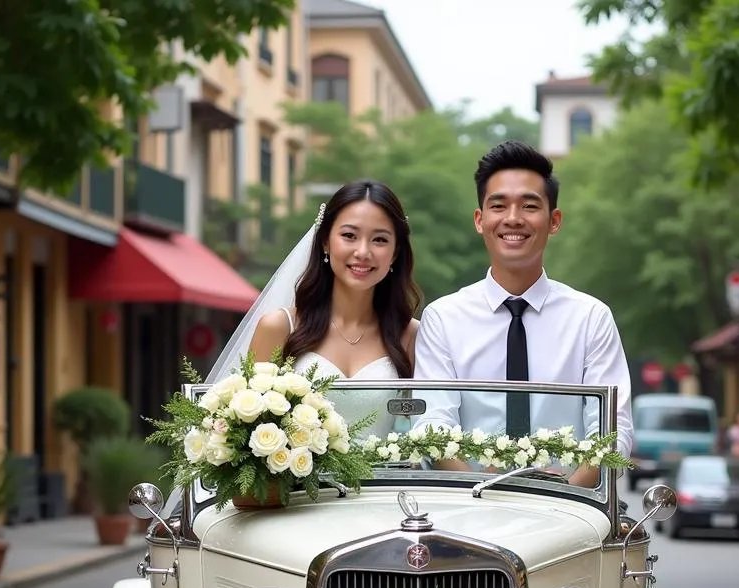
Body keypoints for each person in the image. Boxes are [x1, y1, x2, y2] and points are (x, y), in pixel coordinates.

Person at [411, 140, 634, 487]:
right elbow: (431, 427)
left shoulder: (590, 318)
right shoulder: (443, 318)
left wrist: (563, 496)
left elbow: (612, 431)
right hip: (468, 515)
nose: (513, 218)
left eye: (530, 205)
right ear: (480, 220)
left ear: (554, 220)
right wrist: (482, 494)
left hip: (568, 519)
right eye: (498, 205)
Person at [215, 180, 420, 439]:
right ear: (325, 241)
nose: (363, 251)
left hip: (388, 480)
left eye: (380, 239)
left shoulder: (411, 335)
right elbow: (246, 435)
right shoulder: (279, 328)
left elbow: (427, 423)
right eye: (349, 236)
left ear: (395, 252)